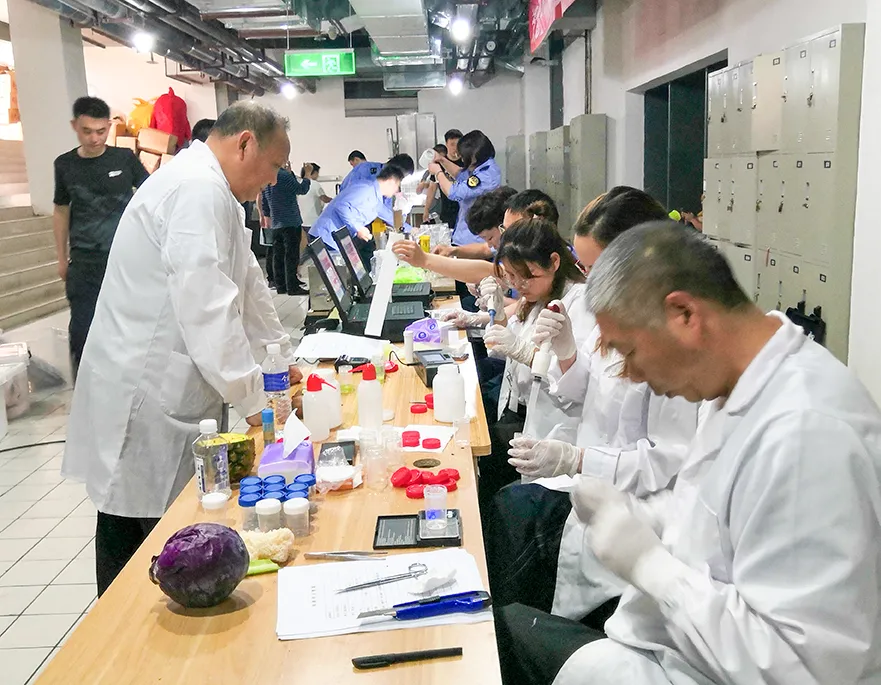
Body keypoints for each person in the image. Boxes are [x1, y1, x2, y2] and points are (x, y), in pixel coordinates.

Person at [496, 221, 881, 685]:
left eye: (630, 352)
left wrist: (651, 567)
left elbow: (805, 668)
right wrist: (646, 516)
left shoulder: (806, 433)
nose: (632, 375)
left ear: (683, 314)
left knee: (499, 640)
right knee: (499, 625)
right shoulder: (739, 383)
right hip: (676, 645)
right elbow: (716, 515)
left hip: (701, 669)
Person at [62, 101, 296, 596]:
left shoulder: (215, 191)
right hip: (144, 391)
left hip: (168, 385)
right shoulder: (195, 189)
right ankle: (117, 639)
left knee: (167, 535)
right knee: (138, 541)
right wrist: (256, 401)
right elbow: (207, 306)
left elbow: (248, 285)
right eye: (275, 165)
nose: (274, 179)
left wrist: (280, 359)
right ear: (245, 143)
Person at [486, 188, 699, 632]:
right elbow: (587, 392)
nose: (589, 283)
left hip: (630, 512)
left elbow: (665, 463)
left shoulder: (674, 339)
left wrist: (578, 459)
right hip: (589, 486)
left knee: (513, 525)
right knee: (507, 512)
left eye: (596, 268)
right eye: (585, 269)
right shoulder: (621, 308)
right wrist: (567, 351)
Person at [476, 217, 592, 513]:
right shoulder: (537, 295)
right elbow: (504, 347)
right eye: (511, 276)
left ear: (554, 262)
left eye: (525, 277)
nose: (518, 285)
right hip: (522, 413)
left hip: (556, 429)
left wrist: (527, 353)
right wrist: (497, 312)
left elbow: (578, 383)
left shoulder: (579, 303)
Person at [53, 96, 149, 380]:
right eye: (87, 131)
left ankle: (130, 386)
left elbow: (151, 195)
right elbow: (61, 210)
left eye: (100, 131)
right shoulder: (65, 165)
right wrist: (61, 258)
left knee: (128, 328)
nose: (94, 138)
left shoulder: (124, 159)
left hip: (124, 259)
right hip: (85, 262)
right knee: (83, 331)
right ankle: (85, 389)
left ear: (109, 126)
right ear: (74, 126)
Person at [308, 164, 405, 267]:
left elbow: (388, 216)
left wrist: (411, 230)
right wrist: (358, 228)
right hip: (325, 237)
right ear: (391, 182)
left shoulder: (376, 198)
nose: (396, 191)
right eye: (397, 186)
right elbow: (342, 207)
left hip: (336, 240)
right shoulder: (366, 189)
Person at [260, 161, 313, 296]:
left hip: (276, 222)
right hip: (290, 221)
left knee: (278, 255)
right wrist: (307, 174)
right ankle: (292, 287)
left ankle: (281, 285)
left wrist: (267, 216)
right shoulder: (283, 176)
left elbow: (264, 200)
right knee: (291, 256)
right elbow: (301, 189)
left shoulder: (268, 175)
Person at [297, 162, 332, 263]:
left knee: (311, 244)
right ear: (314, 172)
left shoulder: (299, 183)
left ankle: (305, 263)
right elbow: (324, 198)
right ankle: (300, 263)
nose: (318, 176)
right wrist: (335, 200)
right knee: (315, 245)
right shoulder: (314, 184)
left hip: (302, 220)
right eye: (317, 173)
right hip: (313, 220)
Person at [416, 143, 448, 216]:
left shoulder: (448, 172)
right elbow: (419, 191)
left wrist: (426, 185)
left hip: (443, 204)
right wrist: (422, 185)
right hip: (431, 205)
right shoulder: (427, 173)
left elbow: (436, 186)